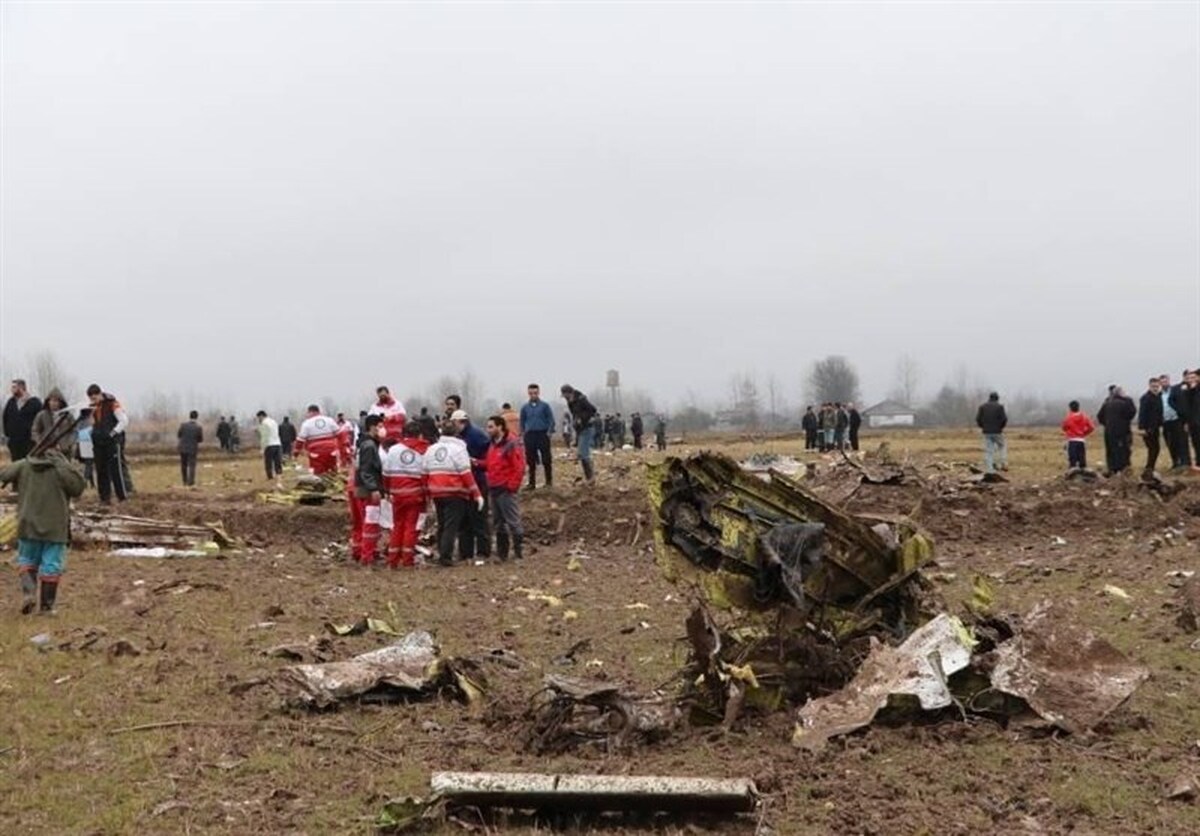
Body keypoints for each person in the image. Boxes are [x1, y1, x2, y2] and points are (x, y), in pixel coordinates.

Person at [1, 441, 87, 613]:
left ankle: (29, 594)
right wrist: (64, 464)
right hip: (54, 527)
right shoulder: (62, 469)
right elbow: (78, 487)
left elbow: (4, 474)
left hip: (27, 523)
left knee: (27, 560)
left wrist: (23, 464)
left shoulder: (25, 464)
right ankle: (46, 608)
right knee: (52, 565)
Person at [424, 419, 482, 566]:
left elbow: (424, 472)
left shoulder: (432, 449)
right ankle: (446, 556)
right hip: (454, 492)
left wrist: (427, 492)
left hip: (436, 492)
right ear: (456, 433)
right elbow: (465, 473)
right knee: (452, 525)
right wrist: (477, 494)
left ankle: (440, 552)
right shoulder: (459, 449)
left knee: (442, 524)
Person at [383, 420, 429, 568]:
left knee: (397, 526)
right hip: (415, 495)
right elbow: (425, 475)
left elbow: (386, 474)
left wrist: (387, 490)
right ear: (419, 434)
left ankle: (393, 559)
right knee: (411, 527)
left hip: (396, 494)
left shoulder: (393, 450)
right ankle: (407, 559)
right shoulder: (424, 450)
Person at [485, 415, 526, 561]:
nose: (488, 430)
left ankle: (519, 552)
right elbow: (491, 464)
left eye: (491, 427)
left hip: (505, 489)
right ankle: (503, 553)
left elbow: (519, 467)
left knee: (513, 521)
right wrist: (477, 463)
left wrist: (512, 486)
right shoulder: (492, 445)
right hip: (494, 487)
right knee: (498, 522)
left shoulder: (510, 444)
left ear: (500, 427)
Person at [453, 409, 491, 560]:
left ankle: (483, 551)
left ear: (461, 422)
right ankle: (465, 552)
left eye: (454, 423)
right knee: (464, 520)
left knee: (479, 517)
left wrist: (475, 462)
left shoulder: (477, 436)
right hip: (463, 483)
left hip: (477, 480)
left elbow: (488, 459)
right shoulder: (458, 437)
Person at [350, 415, 387, 565]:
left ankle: (361, 551)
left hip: (360, 487)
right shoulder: (369, 446)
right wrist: (374, 488)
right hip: (368, 490)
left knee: (362, 522)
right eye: (380, 426)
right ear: (372, 427)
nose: (383, 429)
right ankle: (367, 556)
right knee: (371, 523)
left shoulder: (363, 443)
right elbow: (366, 470)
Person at [86, 384, 129, 504]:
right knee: (101, 470)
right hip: (98, 442)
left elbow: (124, 421)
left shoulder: (112, 404)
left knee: (116, 469)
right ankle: (104, 498)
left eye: (94, 398)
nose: (93, 400)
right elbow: (91, 423)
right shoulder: (92, 408)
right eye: (91, 399)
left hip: (112, 442)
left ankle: (122, 497)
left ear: (99, 394)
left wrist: (113, 433)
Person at [519, 383, 554, 489]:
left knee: (546, 459)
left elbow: (551, 419)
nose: (533, 395)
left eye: (535, 393)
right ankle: (531, 483)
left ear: (538, 393)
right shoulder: (525, 407)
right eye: (531, 393)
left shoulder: (545, 406)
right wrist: (522, 432)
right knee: (530, 460)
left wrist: (549, 432)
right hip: (530, 435)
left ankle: (548, 481)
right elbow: (522, 421)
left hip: (542, 434)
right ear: (528, 393)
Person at [561, 385, 598, 483]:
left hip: (587, 427)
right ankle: (589, 477)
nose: (565, 398)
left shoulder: (581, 399)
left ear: (569, 393)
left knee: (583, 453)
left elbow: (593, 410)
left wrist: (582, 418)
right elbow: (574, 415)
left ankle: (591, 477)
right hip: (580, 430)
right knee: (581, 453)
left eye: (565, 395)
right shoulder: (570, 402)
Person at [1097, 385, 1137, 475]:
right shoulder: (1125, 403)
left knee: (1111, 450)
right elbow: (1131, 414)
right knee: (1123, 450)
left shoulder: (1107, 403)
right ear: (1120, 393)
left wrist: (1107, 424)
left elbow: (1099, 417)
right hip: (1122, 431)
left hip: (1109, 431)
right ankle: (1123, 469)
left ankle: (1112, 469)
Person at [294, 404, 340, 476]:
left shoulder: (307, 423)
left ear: (310, 412)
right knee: (332, 470)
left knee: (318, 472)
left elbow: (300, 440)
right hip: (331, 449)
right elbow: (339, 433)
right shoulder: (329, 420)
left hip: (316, 451)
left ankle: (320, 485)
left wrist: (296, 452)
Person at [3, 379, 42, 461]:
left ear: (21, 387)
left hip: (29, 442)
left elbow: (40, 419)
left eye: (14, 387)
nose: (12, 390)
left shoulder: (35, 403)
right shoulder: (11, 402)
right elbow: (5, 418)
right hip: (14, 442)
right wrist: (8, 434)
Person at [31, 388, 76, 455]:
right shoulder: (41, 415)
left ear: (60, 402)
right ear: (48, 401)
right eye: (51, 401)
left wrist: (66, 444)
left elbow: (74, 431)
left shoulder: (68, 416)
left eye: (55, 401)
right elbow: (35, 431)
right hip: (45, 451)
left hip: (64, 451)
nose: (53, 403)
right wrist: (40, 443)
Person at [1159, 374, 1188, 471]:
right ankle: (1175, 462)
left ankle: (1183, 462)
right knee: (1170, 443)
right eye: (1162, 382)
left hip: (1176, 420)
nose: (1164, 383)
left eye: (1165, 381)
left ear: (1169, 381)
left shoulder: (1175, 390)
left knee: (1180, 442)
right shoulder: (1159, 394)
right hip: (1166, 422)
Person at [975, 392, 1008, 474]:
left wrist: (983, 427)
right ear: (997, 398)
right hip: (997, 432)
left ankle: (990, 469)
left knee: (989, 451)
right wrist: (1000, 427)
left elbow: (978, 419)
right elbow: (1004, 419)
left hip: (986, 432)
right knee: (1002, 446)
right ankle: (1003, 463)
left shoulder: (982, 407)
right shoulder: (1000, 407)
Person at [1137, 378, 1164, 478]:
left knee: (1155, 448)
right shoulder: (1146, 398)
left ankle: (1150, 467)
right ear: (1149, 386)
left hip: (1155, 427)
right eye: (1153, 387)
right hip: (1148, 428)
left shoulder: (1159, 397)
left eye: (1157, 387)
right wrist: (1142, 428)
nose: (1155, 388)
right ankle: (1149, 468)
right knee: (1153, 448)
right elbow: (1142, 414)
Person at [1061, 400, 1096, 471]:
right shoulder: (1084, 417)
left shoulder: (1068, 418)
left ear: (1070, 408)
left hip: (1072, 440)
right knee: (1082, 460)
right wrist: (1084, 433)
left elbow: (1064, 427)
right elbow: (1092, 427)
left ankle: (1072, 477)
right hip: (1081, 440)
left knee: (1072, 461)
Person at [176, 410, 203, 487]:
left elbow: (179, 435)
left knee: (183, 465)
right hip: (192, 449)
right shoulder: (198, 427)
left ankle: (184, 481)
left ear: (189, 416)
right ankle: (191, 482)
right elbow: (200, 440)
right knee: (192, 465)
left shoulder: (183, 425)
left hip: (183, 448)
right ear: (197, 417)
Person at [256, 410, 283, 483]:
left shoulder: (264, 423)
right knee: (278, 463)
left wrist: (262, 449)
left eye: (259, 418)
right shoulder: (273, 421)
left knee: (268, 463)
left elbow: (264, 437)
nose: (259, 420)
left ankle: (270, 478)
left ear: (261, 416)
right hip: (278, 444)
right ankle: (279, 480)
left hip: (269, 445)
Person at [76, 409, 95, 488]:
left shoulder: (79, 422)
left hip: (81, 444)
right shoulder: (90, 422)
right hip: (89, 444)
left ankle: (92, 484)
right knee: (89, 464)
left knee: (88, 463)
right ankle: (85, 482)